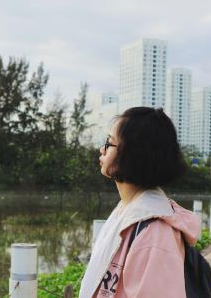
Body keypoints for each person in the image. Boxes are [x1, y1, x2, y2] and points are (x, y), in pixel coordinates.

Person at [79, 107, 200, 298]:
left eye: (109, 143)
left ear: (132, 155)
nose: (102, 149)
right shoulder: (128, 210)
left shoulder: (153, 235)